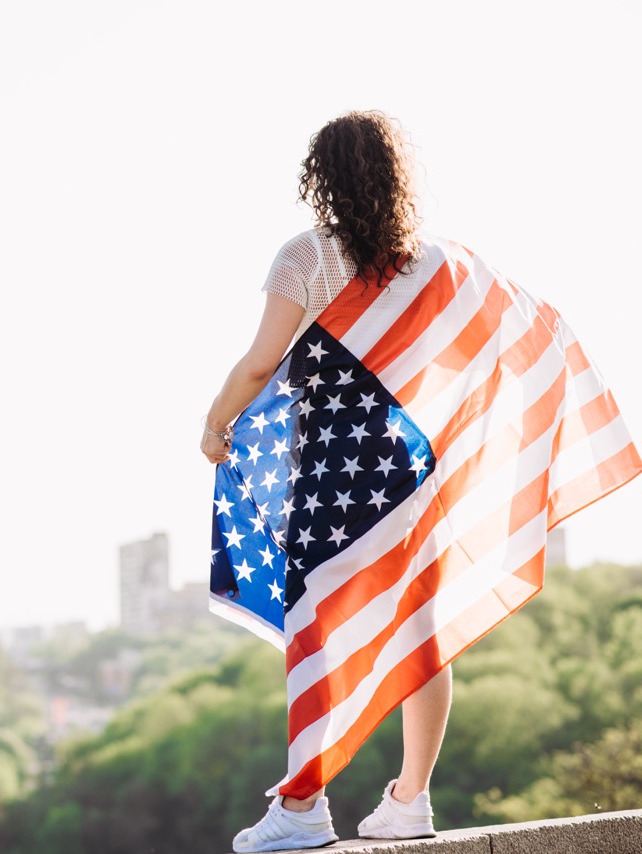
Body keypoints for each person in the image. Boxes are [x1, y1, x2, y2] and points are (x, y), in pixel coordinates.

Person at [198, 110, 639, 852]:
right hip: (409, 468)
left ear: (321, 177)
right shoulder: (439, 263)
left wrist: (214, 422)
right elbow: (522, 330)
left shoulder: (305, 257)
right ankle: (411, 801)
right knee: (421, 627)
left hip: (337, 471)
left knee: (320, 623)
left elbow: (257, 364)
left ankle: (304, 806)